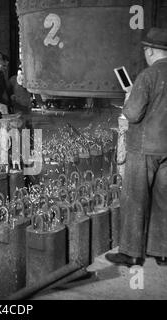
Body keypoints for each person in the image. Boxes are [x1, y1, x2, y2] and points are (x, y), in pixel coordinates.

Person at [106, 28, 167, 267]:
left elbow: (132, 114)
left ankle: (131, 253)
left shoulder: (148, 76)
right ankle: (162, 252)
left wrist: (130, 97)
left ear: (151, 51)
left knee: (135, 199)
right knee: (164, 200)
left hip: (143, 148)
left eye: (146, 50)